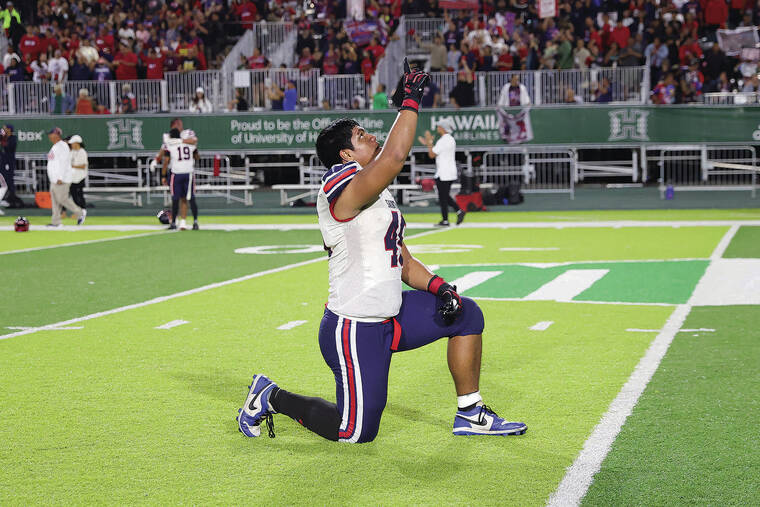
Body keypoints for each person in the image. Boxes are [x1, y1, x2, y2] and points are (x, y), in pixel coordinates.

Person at [236, 60, 526, 443]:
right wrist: (409, 100)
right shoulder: (338, 186)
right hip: (355, 325)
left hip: (393, 312)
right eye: (360, 135)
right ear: (344, 155)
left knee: (466, 314)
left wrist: (439, 287)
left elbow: (401, 258)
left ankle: (470, 413)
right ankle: (269, 395)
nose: (370, 136)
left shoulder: (376, 190)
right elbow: (393, 157)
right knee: (354, 432)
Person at [418, 118, 465, 226]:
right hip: (447, 172)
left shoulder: (443, 140)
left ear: (443, 128)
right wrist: (429, 143)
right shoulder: (449, 139)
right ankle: (459, 211)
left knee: (443, 197)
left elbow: (431, 154)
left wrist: (429, 142)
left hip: (444, 173)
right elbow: (434, 151)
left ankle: (446, 219)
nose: (437, 128)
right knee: (444, 196)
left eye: (439, 126)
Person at [161, 127, 200, 231]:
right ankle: (195, 222)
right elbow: (197, 156)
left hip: (176, 173)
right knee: (190, 199)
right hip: (188, 173)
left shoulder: (170, 145)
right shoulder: (189, 144)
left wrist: (163, 175)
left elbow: (166, 161)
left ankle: (173, 223)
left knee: (175, 199)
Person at [46, 127, 85, 227]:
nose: (49, 136)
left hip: (61, 179)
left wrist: (60, 177)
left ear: (56, 135)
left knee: (62, 199)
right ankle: (56, 222)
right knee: (55, 201)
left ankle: (80, 212)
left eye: (51, 134)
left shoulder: (62, 146)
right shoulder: (55, 146)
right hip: (54, 179)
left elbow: (63, 164)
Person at [0, 124, 23, 208]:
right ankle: (4, 198)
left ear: (9, 129)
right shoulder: (4, 137)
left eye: (5, 128)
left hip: (9, 163)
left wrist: (3, 139)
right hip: (3, 162)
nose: (4, 129)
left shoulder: (13, 138)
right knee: (3, 180)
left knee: (9, 181)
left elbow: (8, 147)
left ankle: (11, 199)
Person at [68, 134, 87, 210]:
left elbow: (83, 166)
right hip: (72, 178)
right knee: (74, 195)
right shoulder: (72, 152)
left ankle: (82, 210)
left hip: (80, 178)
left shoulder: (82, 152)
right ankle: (77, 211)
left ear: (77, 143)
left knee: (79, 195)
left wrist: (72, 166)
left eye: (72, 143)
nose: (71, 145)